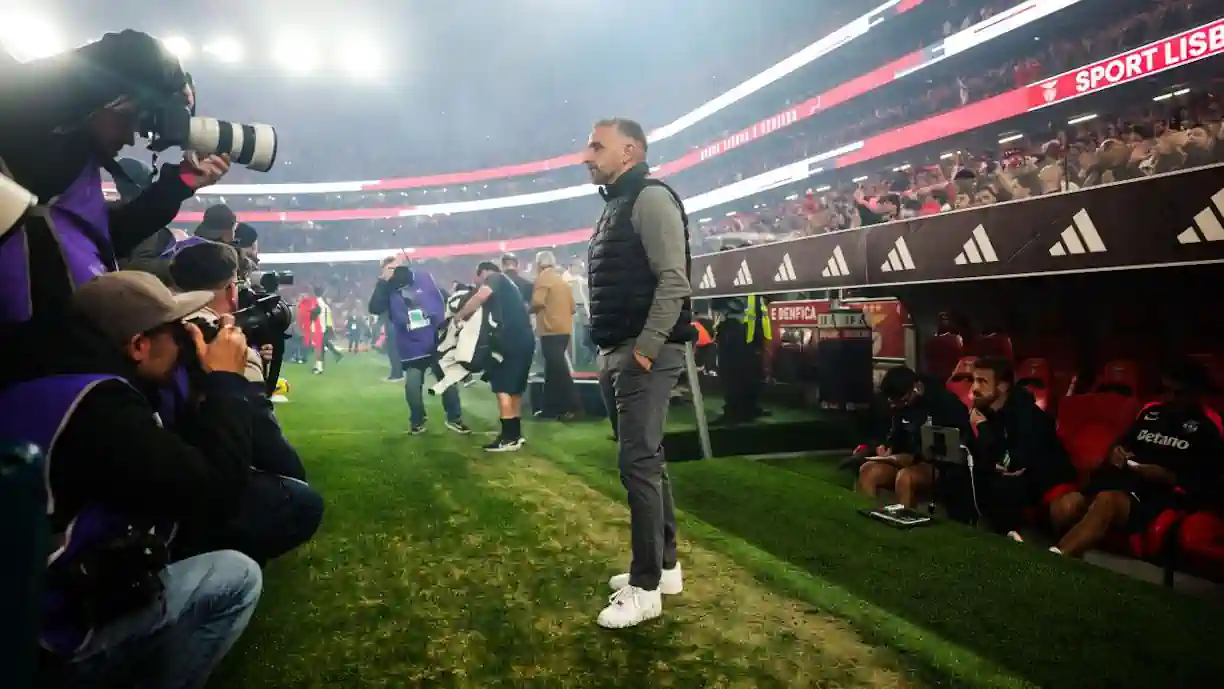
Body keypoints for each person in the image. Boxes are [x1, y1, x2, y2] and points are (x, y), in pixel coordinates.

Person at [0, 271, 261, 688]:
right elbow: (217, 494)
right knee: (237, 575)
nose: (184, 341)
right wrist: (228, 382)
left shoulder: (43, 384)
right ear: (139, 345)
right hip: (48, 640)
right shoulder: (100, 407)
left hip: (17, 624)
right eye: (175, 331)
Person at [0, 31, 229, 330]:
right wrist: (172, 78)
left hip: (67, 349)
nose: (130, 136)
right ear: (102, 101)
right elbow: (127, 55)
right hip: (31, 358)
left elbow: (106, 236)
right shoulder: (31, 139)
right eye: (129, 118)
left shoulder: (78, 167)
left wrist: (178, 186)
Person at [580, 118, 695, 628]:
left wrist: (645, 351)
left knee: (638, 465)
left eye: (596, 146)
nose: (586, 155)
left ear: (628, 152)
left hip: (642, 352)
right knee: (646, 460)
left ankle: (645, 588)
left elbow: (674, 281)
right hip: (620, 349)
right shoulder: (617, 205)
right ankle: (665, 567)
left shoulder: (649, 198)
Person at [168, 241, 325, 564]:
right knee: (300, 500)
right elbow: (263, 438)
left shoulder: (166, 326)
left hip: (168, 464)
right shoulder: (222, 338)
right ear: (231, 288)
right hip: (205, 484)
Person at [1053, 360, 1224, 558]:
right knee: (1065, 504)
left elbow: (1206, 485)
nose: (1169, 398)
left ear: (1195, 394)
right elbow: (1123, 444)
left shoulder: (1209, 428)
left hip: (1155, 498)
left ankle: (1058, 556)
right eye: (1166, 391)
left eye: (1178, 393)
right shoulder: (1151, 412)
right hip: (1121, 480)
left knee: (1108, 501)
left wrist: (1166, 476)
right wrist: (1115, 452)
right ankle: (1071, 556)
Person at [968, 357, 1080, 540]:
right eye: (974, 380)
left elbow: (1012, 462)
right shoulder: (986, 411)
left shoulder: (1026, 414)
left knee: (1001, 487)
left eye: (982, 381)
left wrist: (982, 428)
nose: (974, 388)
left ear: (1002, 387)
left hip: (1047, 477)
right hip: (1022, 477)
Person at [368, 256, 471, 435]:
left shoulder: (422, 277)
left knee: (447, 381)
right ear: (384, 271)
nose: (397, 271)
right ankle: (417, 421)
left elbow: (441, 297)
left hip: (435, 339)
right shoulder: (387, 288)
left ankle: (454, 418)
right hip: (411, 344)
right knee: (413, 385)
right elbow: (374, 308)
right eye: (391, 269)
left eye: (398, 267)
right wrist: (383, 282)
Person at [857, 366, 972, 512]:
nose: (898, 406)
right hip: (904, 458)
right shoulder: (899, 404)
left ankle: (903, 524)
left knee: (905, 477)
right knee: (868, 470)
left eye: (903, 402)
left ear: (916, 388)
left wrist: (914, 456)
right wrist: (888, 448)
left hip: (936, 465)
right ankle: (871, 523)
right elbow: (896, 433)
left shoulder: (945, 403)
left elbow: (956, 443)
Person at [452, 261, 536, 451]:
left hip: (509, 341)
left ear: (482, 272)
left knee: (503, 388)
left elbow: (482, 296)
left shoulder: (495, 278)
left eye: (478, 278)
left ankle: (507, 438)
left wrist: (460, 315)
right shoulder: (510, 285)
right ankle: (515, 434)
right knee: (514, 389)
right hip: (524, 339)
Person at [530, 250, 581, 420]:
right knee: (552, 371)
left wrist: (525, 310)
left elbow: (537, 302)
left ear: (539, 264)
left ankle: (574, 407)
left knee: (558, 371)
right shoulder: (561, 279)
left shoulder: (543, 278)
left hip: (549, 330)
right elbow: (573, 308)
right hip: (564, 330)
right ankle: (550, 408)